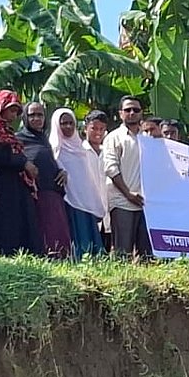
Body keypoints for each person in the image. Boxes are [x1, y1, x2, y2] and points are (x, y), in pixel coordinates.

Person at [0, 90, 40, 256]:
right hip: (0, 182)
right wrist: (24, 163)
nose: (14, 115)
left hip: (15, 182)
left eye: (16, 111)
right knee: (4, 222)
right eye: (11, 110)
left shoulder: (7, 132)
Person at [17, 102, 72, 257]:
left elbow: (49, 161)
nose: (36, 118)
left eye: (40, 115)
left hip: (52, 191)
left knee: (56, 229)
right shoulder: (19, 139)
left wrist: (62, 171)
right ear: (25, 118)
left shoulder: (43, 139)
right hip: (32, 194)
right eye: (32, 115)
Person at [51, 108, 106, 258]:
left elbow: (88, 179)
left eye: (71, 123)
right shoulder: (53, 148)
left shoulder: (81, 149)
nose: (68, 127)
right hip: (66, 200)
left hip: (84, 201)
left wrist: (95, 203)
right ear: (56, 124)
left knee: (87, 232)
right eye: (63, 123)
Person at [103, 96, 151, 259]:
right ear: (120, 113)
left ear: (141, 113)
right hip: (122, 201)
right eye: (128, 110)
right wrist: (128, 193)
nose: (132, 113)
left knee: (147, 254)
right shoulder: (113, 137)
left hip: (146, 204)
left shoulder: (148, 139)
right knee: (122, 252)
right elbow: (110, 168)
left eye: (136, 110)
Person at [83, 110, 112, 250]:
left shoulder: (109, 152)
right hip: (88, 206)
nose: (98, 133)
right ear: (85, 128)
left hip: (108, 206)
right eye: (94, 128)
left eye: (102, 129)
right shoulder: (79, 152)